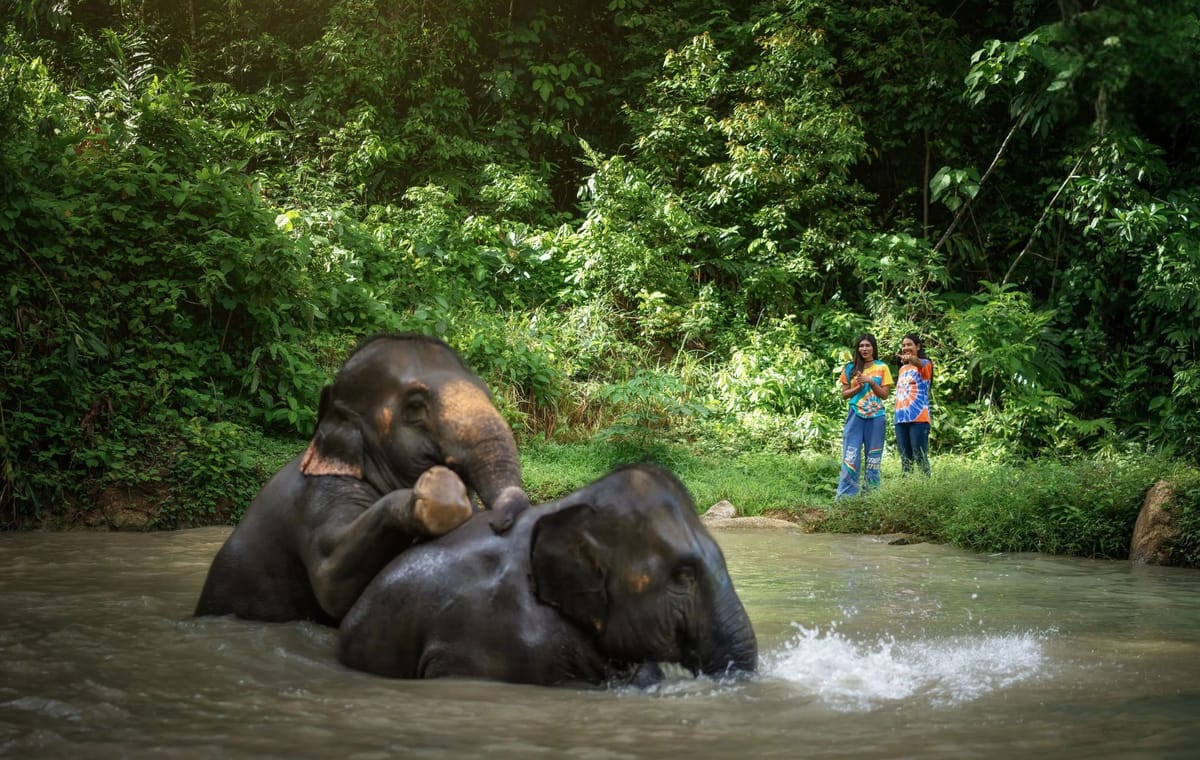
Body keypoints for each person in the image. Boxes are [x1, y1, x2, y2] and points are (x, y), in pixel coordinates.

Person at [836, 333, 893, 499]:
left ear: (873, 348)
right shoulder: (850, 368)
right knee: (850, 456)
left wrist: (871, 382)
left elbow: (884, 395)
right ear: (857, 349)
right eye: (861, 346)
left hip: (876, 417)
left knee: (873, 458)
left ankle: (870, 498)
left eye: (868, 345)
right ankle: (846, 498)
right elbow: (844, 394)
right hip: (855, 415)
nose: (864, 349)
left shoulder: (882, 367)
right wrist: (858, 388)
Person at [893, 332, 933, 476]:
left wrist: (911, 358)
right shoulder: (902, 369)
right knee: (905, 460)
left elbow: (919, 363)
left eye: (909, 344)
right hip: (900, 418)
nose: (905, 348)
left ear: (918, 346)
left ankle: (926, 486)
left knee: (920, 456)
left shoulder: (925, 364)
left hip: (919, 418)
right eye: (903, 345)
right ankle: (907, 487)